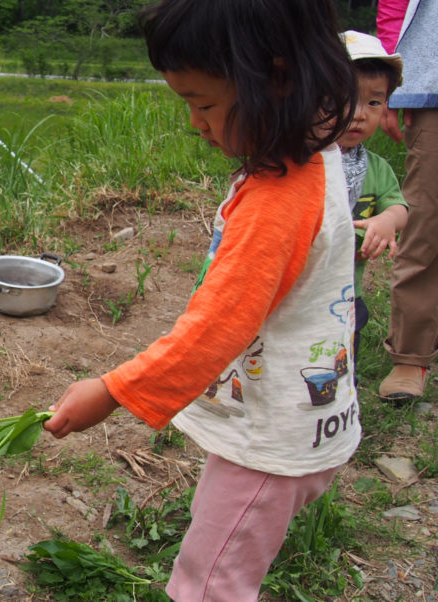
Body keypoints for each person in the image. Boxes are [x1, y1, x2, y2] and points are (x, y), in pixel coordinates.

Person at [43, 0, 359, 599]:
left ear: (278, 79)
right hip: (302, 419)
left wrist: (113, 391)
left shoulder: (276, 202)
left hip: (269, 443)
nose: (195, 123)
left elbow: (215, 327)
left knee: (209, 583)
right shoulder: (313, 158)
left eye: (204, 103)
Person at [375, 0, 438, 402]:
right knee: (426, 221)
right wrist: (387, 86)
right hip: (433, 84)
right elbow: (396, 6)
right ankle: (410, 353)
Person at [338, 31, 408, 370]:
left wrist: (387, 221)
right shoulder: (301, 161)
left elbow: (399, 207)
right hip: (299, 292)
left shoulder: (375, 169)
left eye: (374, 102)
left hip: (348, 293)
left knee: (342, 360)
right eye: (343, 99)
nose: (359, 114)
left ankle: (340, 406)